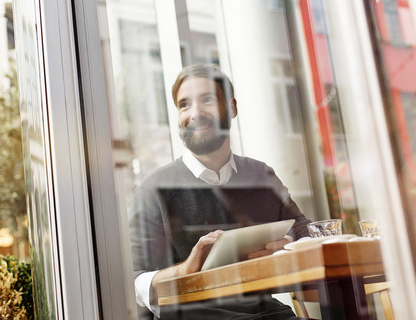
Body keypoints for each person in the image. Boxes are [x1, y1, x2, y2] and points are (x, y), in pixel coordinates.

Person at [129, 64, 312, 319]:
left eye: (207, 100)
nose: (195, 113)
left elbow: (309, 234)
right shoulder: (153, 190)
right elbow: (136, 283)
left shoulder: (261, 176)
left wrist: (287, 246)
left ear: (232, 107)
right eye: (184, 104)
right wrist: (185, 271)